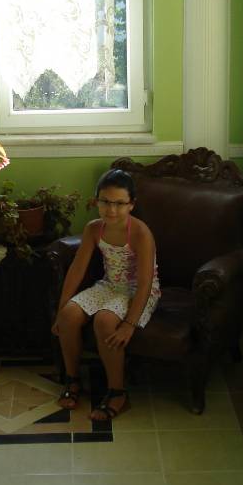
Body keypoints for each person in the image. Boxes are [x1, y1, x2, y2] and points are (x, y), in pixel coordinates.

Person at [51, 168, 161, 420]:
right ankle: (72, 379)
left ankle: (117, 391)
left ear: (131, 204)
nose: (111, 210)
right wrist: (61, 309)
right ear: (96, 201)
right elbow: (77, 270)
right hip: (109, 285)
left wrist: (129, 324)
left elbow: (145, 282)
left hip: (140, 292)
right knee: (68, 316)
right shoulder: (93, 229)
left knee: (104, 320)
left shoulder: (140, 233)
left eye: (119, 203)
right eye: (105, 202)